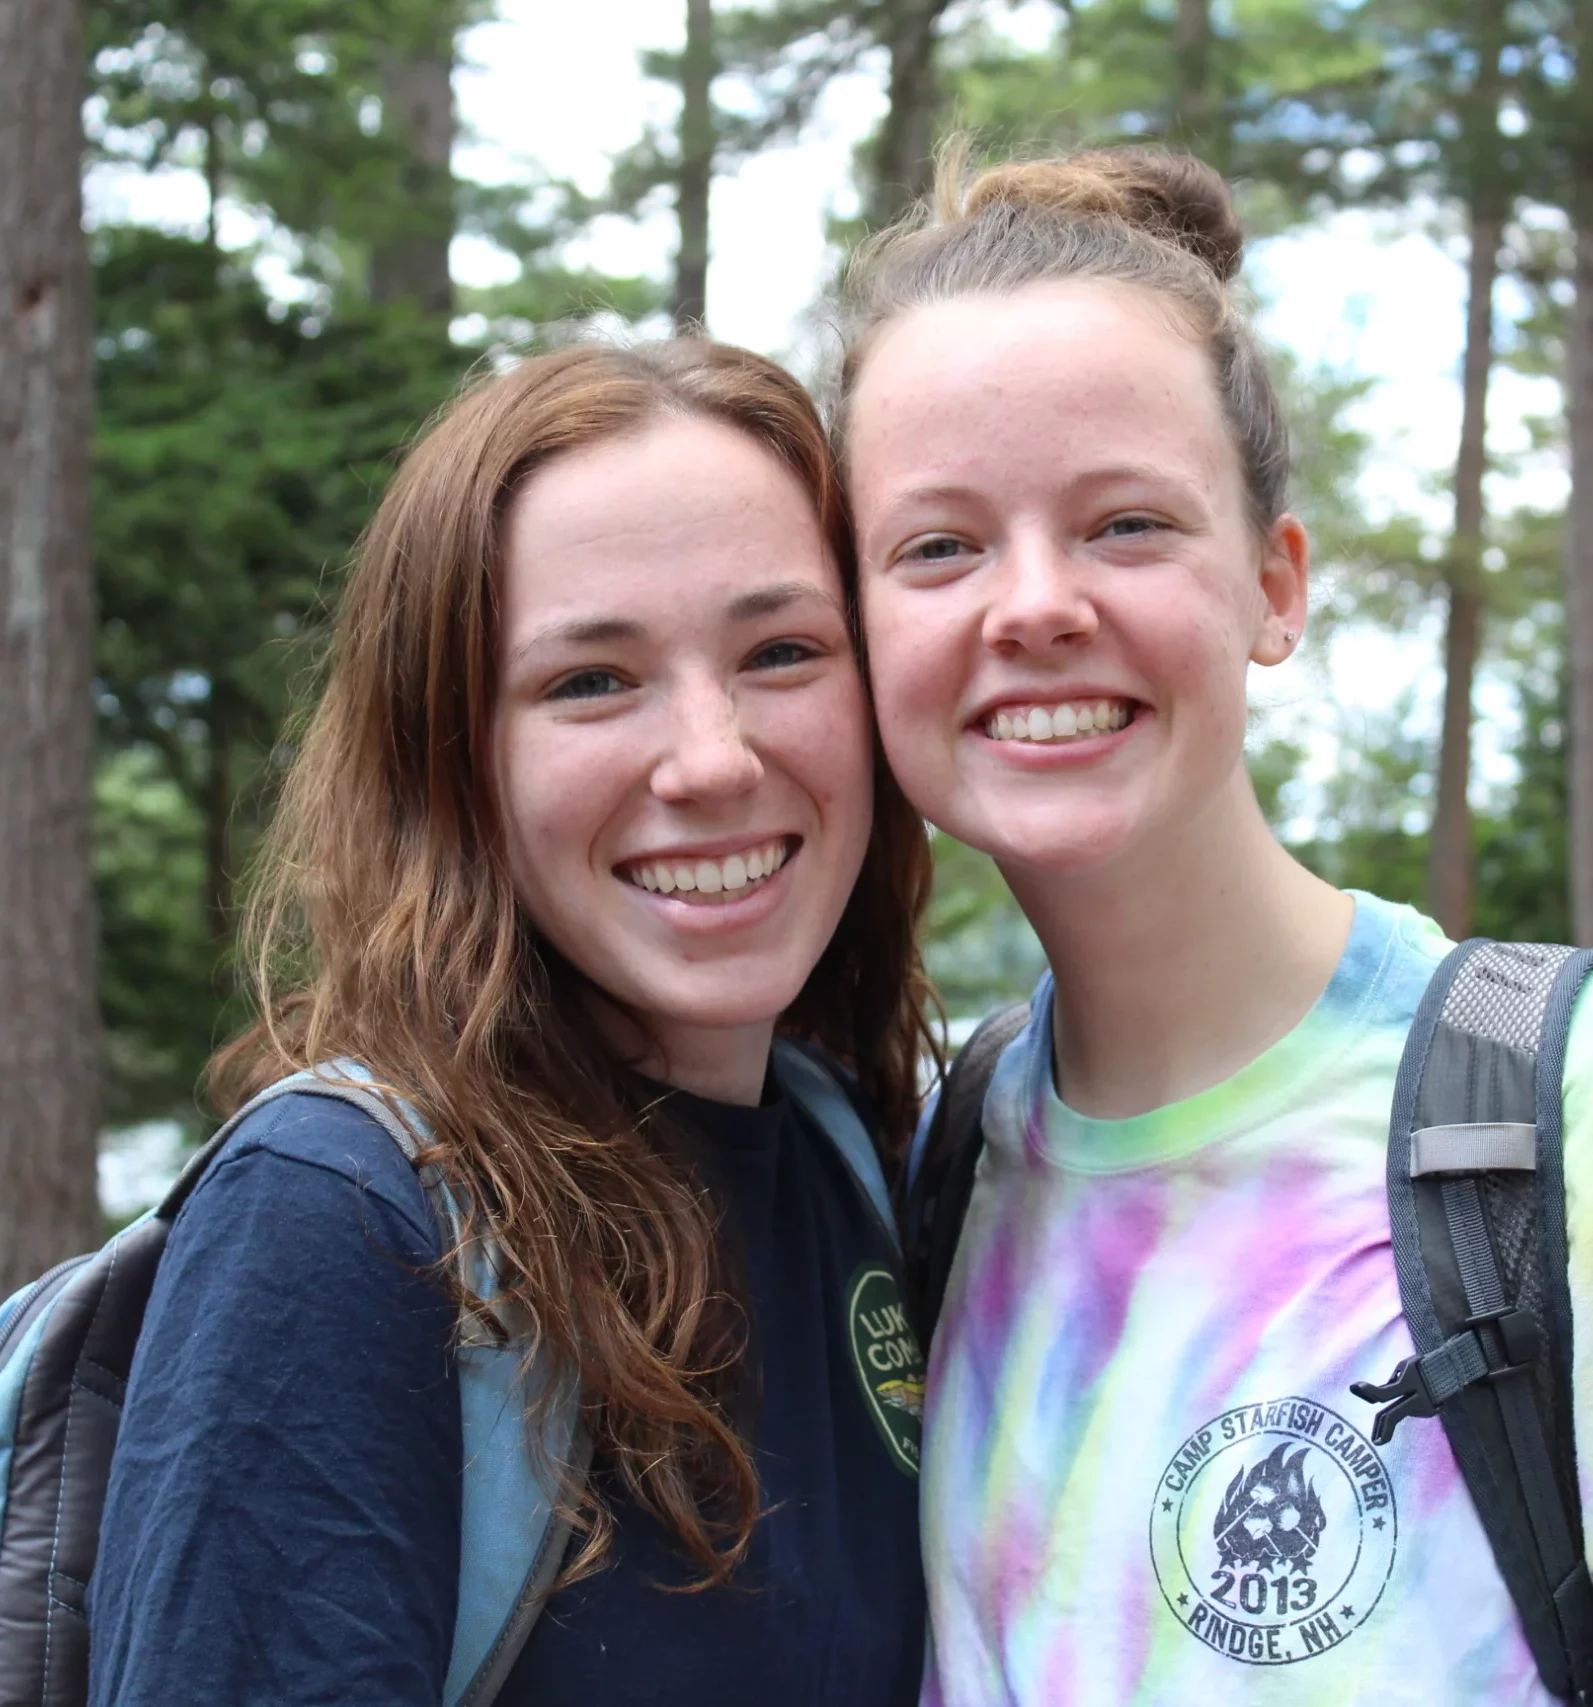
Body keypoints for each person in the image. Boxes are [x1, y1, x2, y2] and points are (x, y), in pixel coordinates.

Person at [835, 147, 1593, 1703]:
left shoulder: (1550, 1127)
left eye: (1125, 524)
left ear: (1274, 583)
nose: (1032, 603)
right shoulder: (943, 1168)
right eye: (939, 544)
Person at [88, 338, 936, 1707]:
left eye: (781, 651)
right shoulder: (345, 1225)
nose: (713, 757)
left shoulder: (857, 1159)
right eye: (591, 680)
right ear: (455, 764)